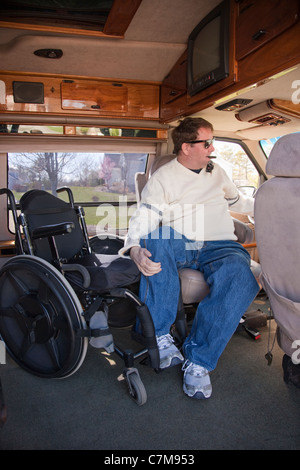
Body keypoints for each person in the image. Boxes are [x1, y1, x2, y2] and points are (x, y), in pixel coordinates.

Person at [119, 117, 259, 399]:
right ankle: (159, 334)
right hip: (183, 242)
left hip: (221, 244)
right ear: (186, 147)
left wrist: (271, 202)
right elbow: (145, 216)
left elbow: (238, 203)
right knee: (155, 238)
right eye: (206, 142)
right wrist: (133, 246)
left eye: (212, 141)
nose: (212, 147)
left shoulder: (217, 171)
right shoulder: (164, 178)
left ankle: (198, 360)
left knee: (241, 275)